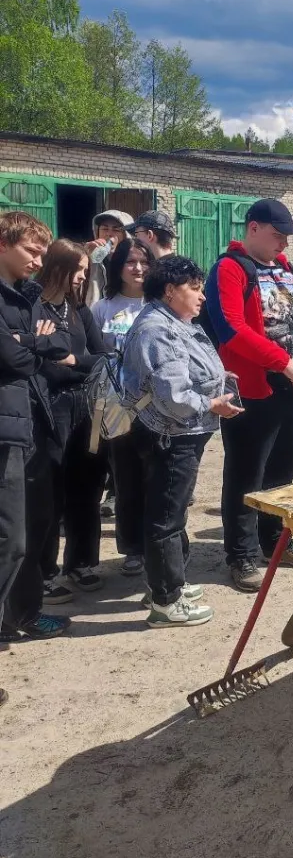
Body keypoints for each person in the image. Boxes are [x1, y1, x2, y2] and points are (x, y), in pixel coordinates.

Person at [203, 198, 293, 593]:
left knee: (284, 469)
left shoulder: (290, 270)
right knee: (246, 472)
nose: (284, 245)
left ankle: (272, 539)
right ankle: (240, 553)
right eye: (278, 236)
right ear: (253, 228)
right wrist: (284, 363)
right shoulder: (230, 268)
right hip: (253, 387)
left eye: (288, 238)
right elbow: (231, 329)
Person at [122, 256, 242, 626]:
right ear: (171, 291)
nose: (202, 296)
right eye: (194, 288)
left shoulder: (174, 321)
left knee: (168, 512)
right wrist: (211, 403)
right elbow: (173, 396)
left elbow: (188, 369)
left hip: (180, 433)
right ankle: (166, 601)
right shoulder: (159, 329)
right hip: (172, 435)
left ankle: (166, 582)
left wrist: (215, 381)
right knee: (166, 517)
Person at [0, 211, 72, 668]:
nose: (38, 260)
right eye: (31, 250)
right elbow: (20, 358)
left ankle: (19, 615)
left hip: (29, 422)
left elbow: (56, 351)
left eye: (43, 251)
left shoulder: (26, 296)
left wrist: (29, 342)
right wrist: (35, 343)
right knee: (9, 540)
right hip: (6, 428)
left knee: (28, 532)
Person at [34, 241, 109, 602]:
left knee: (88, 487)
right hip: (49, 407)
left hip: (86, 407)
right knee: (50, 491)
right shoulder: (33, 307)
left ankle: (80, 563)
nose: (82, 277)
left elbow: (102, 358)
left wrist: (72, 360)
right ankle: (44, 572)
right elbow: (39, 361)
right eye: (78, 270)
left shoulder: (80, 311)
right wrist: (63, 359)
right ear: (56, 267)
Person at [92, 237, 155, 578]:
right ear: (117, 267)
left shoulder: (160, 306)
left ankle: (162, 544)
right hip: (117, 408)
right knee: (127, 479)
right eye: (130, 262)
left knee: (159, 479)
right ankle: (132, 548)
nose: (138, 268)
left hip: (159, 409)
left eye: (144, 261)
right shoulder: (102, 308)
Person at [84, 210, 133, 308]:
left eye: (116, 230)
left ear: (126, 234)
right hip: (94, 314)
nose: (109, 234)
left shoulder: (134, 260)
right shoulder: (89, 252)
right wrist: (85, 256)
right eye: (105, 229)